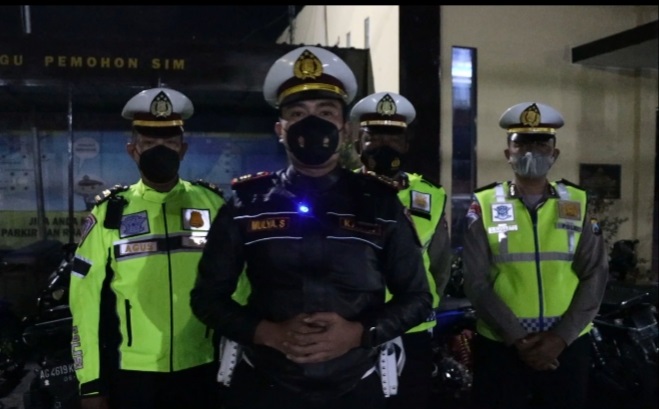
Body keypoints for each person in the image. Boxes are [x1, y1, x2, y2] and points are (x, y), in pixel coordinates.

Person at [190, 45, 433, 409]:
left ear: (345, 129)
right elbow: (207, 298)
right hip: (268, 383)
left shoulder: (381, 203)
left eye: (325, 112)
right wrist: (267, 333)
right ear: (281, 129)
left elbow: (417, 298)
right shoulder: (246, 203)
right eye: (298, 113)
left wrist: (358, 333)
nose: (312, 123)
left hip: (358, 383)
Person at [69, 87, 225, 409]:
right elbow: (85, 304)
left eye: (169, 143)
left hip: (203, 367)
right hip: (132, 375)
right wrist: (91, 384)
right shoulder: (109, 214)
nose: (160, 151)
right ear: (132, 150)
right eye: (149, 143)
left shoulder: (213, 206)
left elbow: (240, 288)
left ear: (183, 149)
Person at [462, 102, 609, 409]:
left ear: (555, 154)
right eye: (522, 143)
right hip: (502, 345)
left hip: (567, 345)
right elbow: (475, 281)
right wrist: (518, 338)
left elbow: (595, 273)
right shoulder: (484, 204)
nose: (532, 151)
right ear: (508, 153)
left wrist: (560, 338)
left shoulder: (577, 202)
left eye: (542, 144)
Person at [350, 91, 452, 409]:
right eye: (374, 137)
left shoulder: (431, 195)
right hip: (353, 329)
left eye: (394, 137)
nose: (384, 145)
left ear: (406, 145)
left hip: (412, 328)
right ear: (357, 145)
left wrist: (422, 307)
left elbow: (440, 265)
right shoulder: (338, 190)